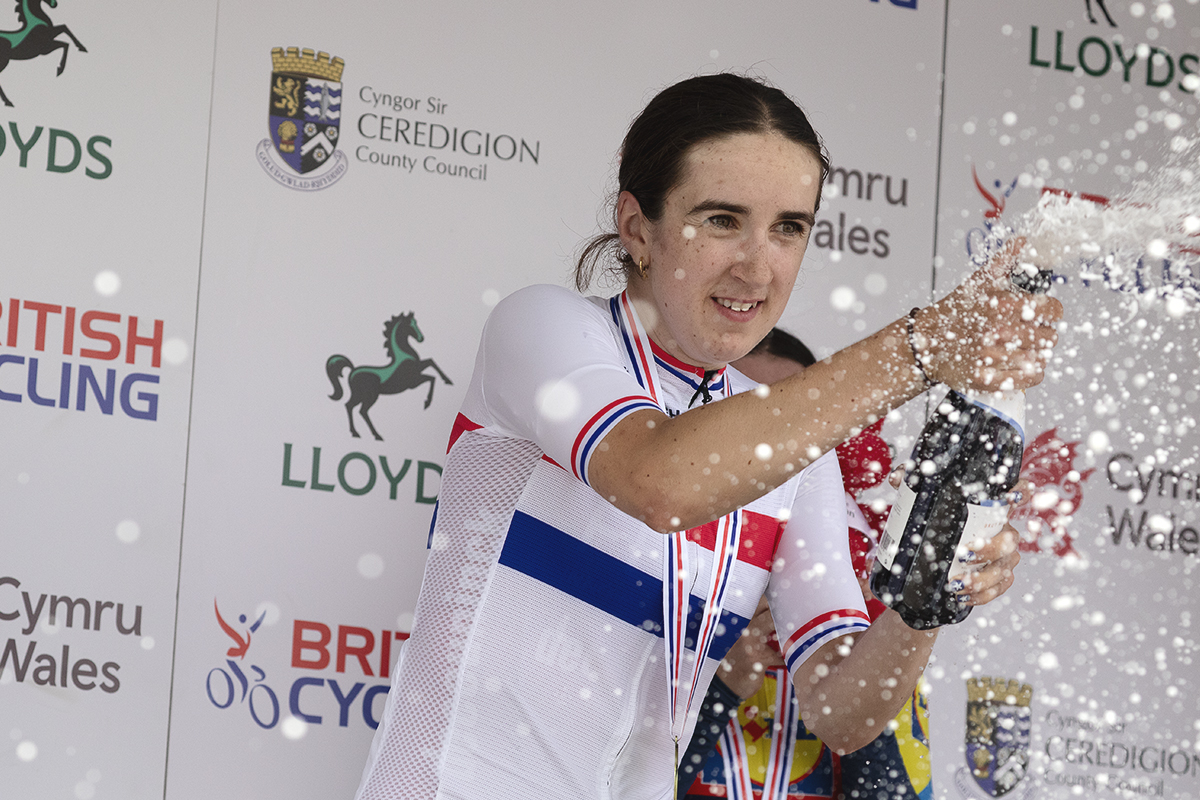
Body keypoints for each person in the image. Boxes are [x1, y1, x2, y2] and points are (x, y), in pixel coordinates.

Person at [354, 73, 1061, 800]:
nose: (757, 267)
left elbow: (842, 713)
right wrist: (922, 346)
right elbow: (659, 482)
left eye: (789, 228)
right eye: (723, 220)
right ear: (637, 229)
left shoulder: (795, 456)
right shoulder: (543, 327)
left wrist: (926, 597)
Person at [677, 328, 933, 800]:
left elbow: (893, 792)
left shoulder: (866, 607)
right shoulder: (653, 595)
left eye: (790, 428)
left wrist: (858, 662)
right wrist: (723, 684)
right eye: (741, 419)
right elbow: (608, 783)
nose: (769, 458)